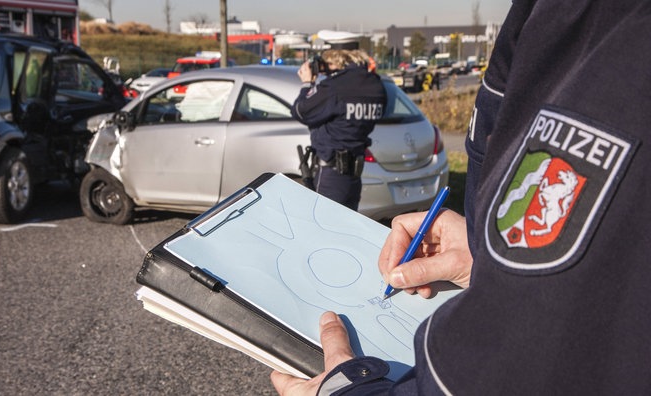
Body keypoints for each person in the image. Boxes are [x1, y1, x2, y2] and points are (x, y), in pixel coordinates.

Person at [272, 0, 651, 394]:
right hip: (357, 167)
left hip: (334, 167)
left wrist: (349, 391)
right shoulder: (372, 82)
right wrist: (482, 246)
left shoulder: (613, 30)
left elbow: (524, 352)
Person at [291, 49, 387, 211]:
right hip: (354, 175)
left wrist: (307, 84)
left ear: (337, 60)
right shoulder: (375, 85)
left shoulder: (335, 87)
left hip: (331, 174)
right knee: (344, 229)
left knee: (323, 228)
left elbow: (301, 111)